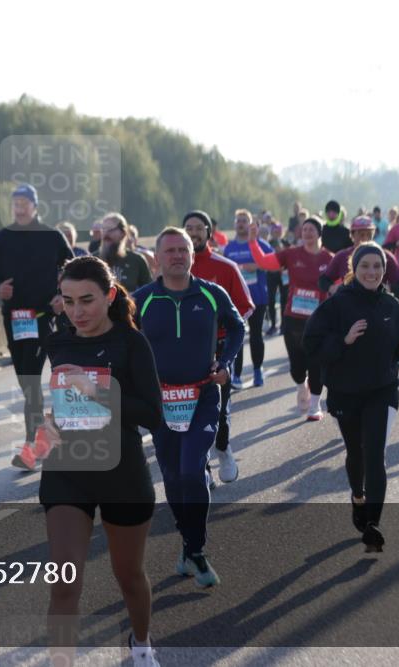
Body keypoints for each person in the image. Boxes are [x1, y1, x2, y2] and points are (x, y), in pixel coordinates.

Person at [39, 255, 163, 667]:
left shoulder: (131, 342)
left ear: (110, 295)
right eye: (68, 301)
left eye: (87, 300)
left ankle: (142, 644)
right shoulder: (57, 340)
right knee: (64, 583)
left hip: (121, 471)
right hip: (67, 470)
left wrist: (96, 393)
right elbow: (60, 402)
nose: (77, 312)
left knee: (128, 576)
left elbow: (151, 412)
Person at [133, 228, 244, 587]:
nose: (178, 256)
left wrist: (225, 363)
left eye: (183, 250)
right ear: (157, 258)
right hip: (161, 403)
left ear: (193, 255)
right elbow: (117, 334)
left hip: (203, 398)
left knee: (193, 468)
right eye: (170, 251)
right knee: (173, 476)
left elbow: (238, 327)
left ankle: (196, 550)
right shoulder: (142, 300)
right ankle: (188, 545)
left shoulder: (212, 294)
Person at [304, 243, 399, 552]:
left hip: (382, 390)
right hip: (345, 392)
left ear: (384, 270)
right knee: (357, 453)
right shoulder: (337, 305)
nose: (372, 272)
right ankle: (358, 496)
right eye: (365, 266)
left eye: (378, 267)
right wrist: (344, 339)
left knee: (375, 454)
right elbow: (312, 346)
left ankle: (372, 523)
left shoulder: (391, 305)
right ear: (355, 268)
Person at [0, 184, 74, 470]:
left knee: (31, 383)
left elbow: (73, 266)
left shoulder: (51, 236)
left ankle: (32, 448)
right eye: (15, 202)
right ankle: (46, 429)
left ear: (34, 206)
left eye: (24, 202)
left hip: (44, 316)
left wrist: (63, 296)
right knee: (25, 382)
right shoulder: (3, 238)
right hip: (14, 319)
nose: (19, 207)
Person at [182, 211, 253, 485]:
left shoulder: (225, 267)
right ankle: (204, 468)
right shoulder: (174, 269)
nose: (193, 232)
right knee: (187, 410)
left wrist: (224, 335)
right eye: (188, 227)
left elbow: (245, 309)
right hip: (185, 351)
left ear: (209, 233)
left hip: (220, 350)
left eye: (199, 228)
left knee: (219, 411)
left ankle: (223, 448)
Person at [248, 216, 335, 419]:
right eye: (304, 230)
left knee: (316, 363)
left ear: (319, 233)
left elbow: (338, 283)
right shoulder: (291, 254)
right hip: (293, 317)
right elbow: (263, 262)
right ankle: (300, 386)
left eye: (312, 230)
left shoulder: (328, 259)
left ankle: (315, 405)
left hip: (318, 320)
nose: (307, 233)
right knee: (297, 366)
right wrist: (253, 241)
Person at [224, 209, 272, 387]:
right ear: (235, 224)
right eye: (238, 221)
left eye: (244, 220)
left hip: (258, 296)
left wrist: (258, 265)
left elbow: (274, 263)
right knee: (237, 335)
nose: (241, 223)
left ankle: (258, 370)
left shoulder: (260, 244)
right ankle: (236, 375)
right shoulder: (229, 248)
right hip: (237, 298)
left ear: (250, 224)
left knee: (255, 335)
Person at [319, 217, 399, 300]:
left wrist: (388, 288)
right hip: (349, 307)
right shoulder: (342, 256)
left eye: (369, 234)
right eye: (361, 234)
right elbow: (323, 280)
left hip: (377, 307)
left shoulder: (385, 256)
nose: (365, 238)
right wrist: (332, 287)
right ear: (352, 235)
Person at [98, 213, 154, 293]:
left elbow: (148, 291)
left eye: (110, 229)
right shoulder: (92, 260)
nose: (106, 233)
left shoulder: (136, 260)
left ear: (123, 233)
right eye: (103, 229)